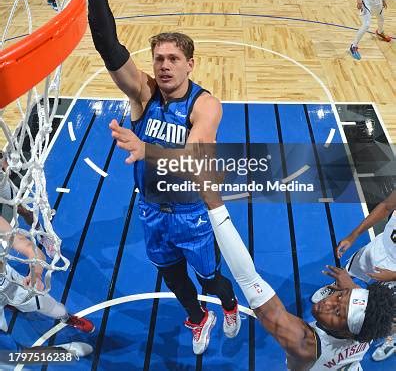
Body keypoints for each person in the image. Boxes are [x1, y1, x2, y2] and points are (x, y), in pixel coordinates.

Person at [58, 0, 240, 355]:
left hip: (192, 211)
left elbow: (196, 159)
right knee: (173, 277)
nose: (164, 65)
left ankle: (227, 306)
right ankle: (198, 318)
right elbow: (109, 49)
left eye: (174, 58)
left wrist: (146, 150)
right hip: (152, 210)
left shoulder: (205, 104)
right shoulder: (143, 94)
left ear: (190, 63)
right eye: (159, 58)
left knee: (210, 277)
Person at [105, 138, 395, 371]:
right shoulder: (368, 326)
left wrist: (214, 204)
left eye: (338, 312)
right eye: (340, 298)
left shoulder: (303, 343)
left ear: (347, 333)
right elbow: (370, 311)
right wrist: (353, 290)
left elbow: (248, 277)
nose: (330, 302)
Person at [311, 190, 396, 363]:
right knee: (348, 272)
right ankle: (337, 291)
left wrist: (394, 275)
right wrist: (354, 235)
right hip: (379, 248)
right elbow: (387, 206)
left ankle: (391, 337)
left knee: (390, 312)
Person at [0, 214, 94, 336]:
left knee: (56, 309)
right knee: (8, 341)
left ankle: (66, 318)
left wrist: (36, 275)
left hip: (9, 282)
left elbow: (31, 249)